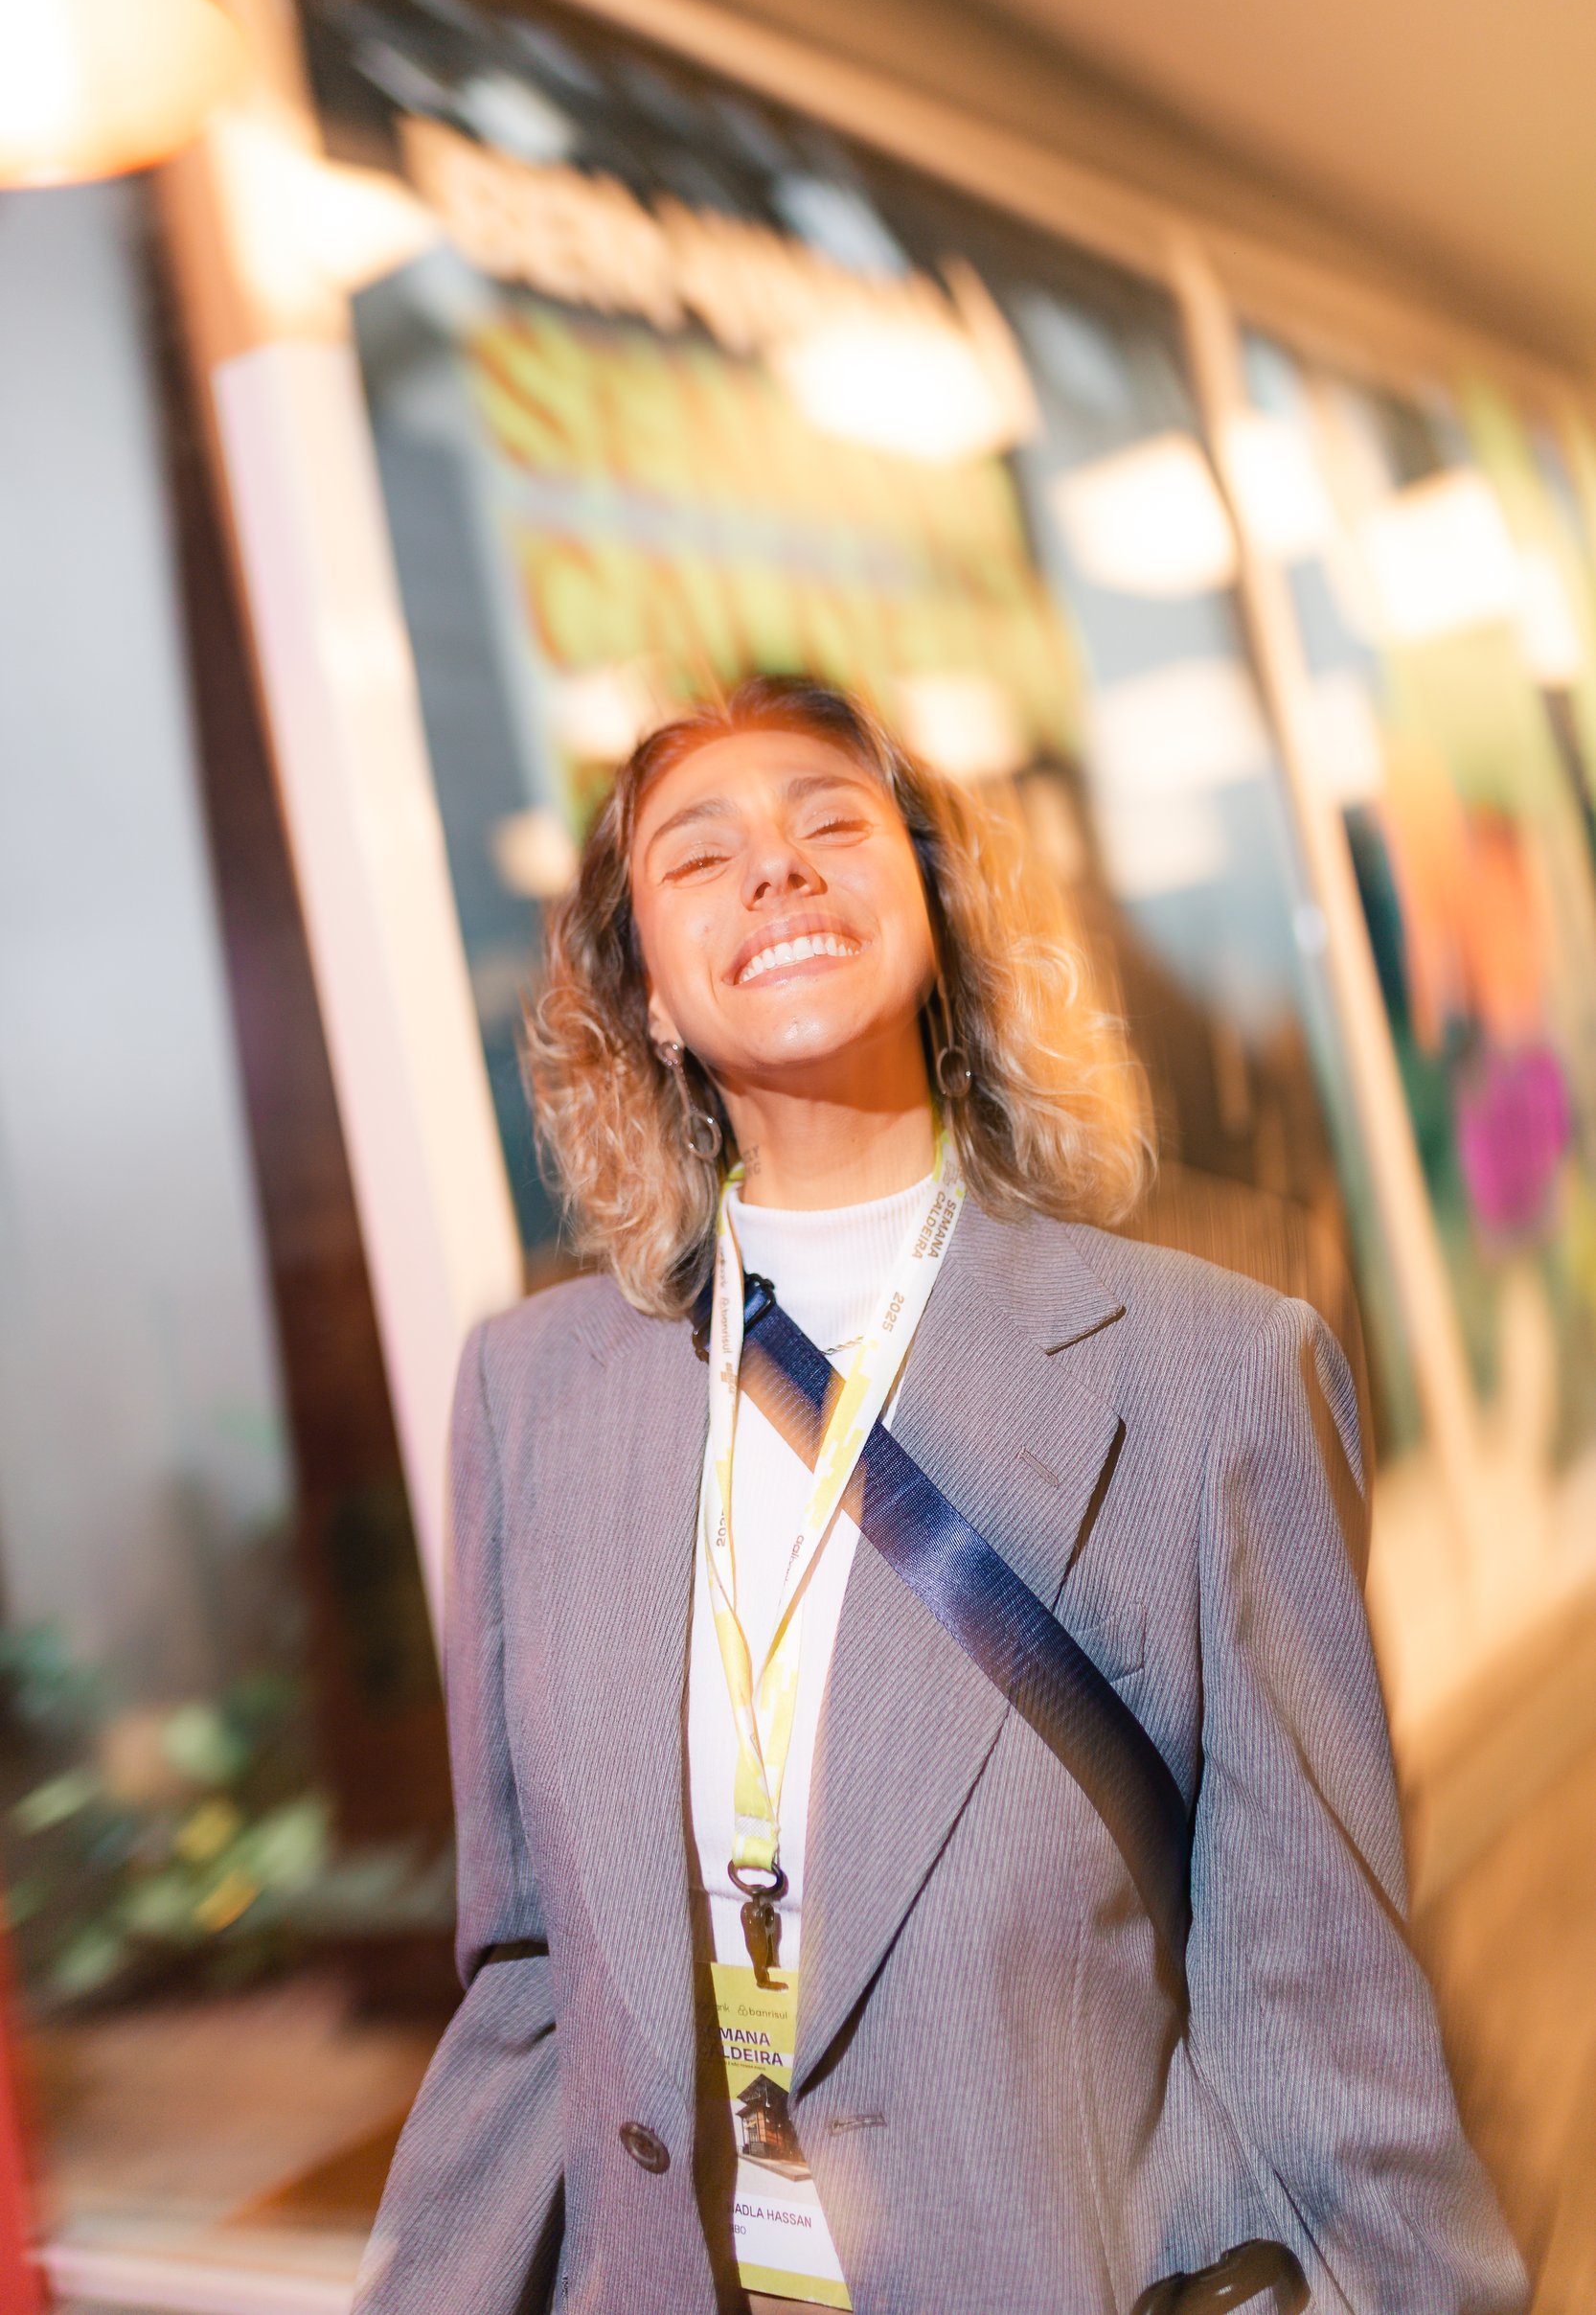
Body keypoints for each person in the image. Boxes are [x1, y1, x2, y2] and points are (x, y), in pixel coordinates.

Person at [354, 676, 1524, 2315]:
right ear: (651, 1003)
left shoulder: (1206, 1375)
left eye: (830, 824)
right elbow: (529, 1976)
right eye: (700, 856)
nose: (775, 867)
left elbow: (1317, 1986)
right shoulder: (533, 1394)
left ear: (934, 917)